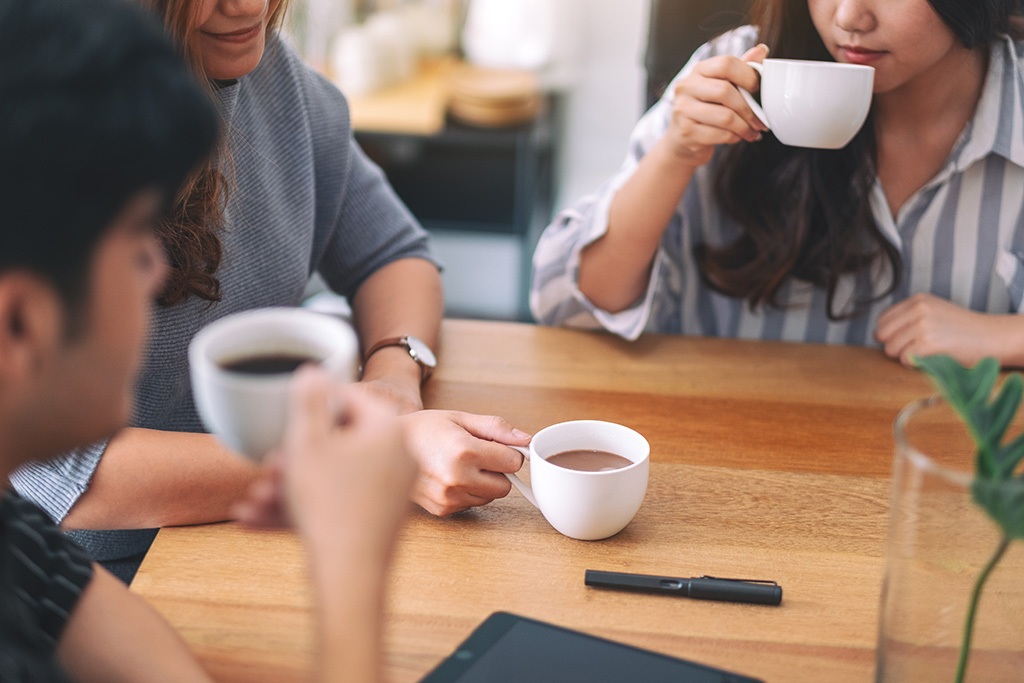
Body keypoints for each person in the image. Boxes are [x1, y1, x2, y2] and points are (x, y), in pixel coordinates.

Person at [11, 0, 530, 582]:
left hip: (257, 530)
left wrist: (394, 373)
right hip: (100, 572)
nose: (251, 6)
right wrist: (350, 460)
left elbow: (391, 252)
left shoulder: (269, 72)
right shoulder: (41, 121)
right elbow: (57, 467)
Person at [0, 0, 414, 680]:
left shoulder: (20, 550)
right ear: (21, 323)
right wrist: (349, 569)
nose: (158, 268)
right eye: (134, 244)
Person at [531, 0, 1024, 369]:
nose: (850, 16)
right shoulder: (737, 72)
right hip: (737, 456)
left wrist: (1006, 337)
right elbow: (569, 306)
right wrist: (675, 154)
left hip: (949, 468)